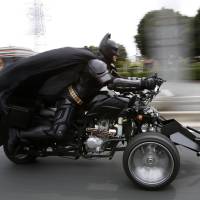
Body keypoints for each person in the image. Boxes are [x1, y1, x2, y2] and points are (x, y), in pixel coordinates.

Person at [5, 34, 156, 142]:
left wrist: (141, 83)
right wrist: (143, 83)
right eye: (114, 50)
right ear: (108, 51)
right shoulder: (96, 64)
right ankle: (18, 135)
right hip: (71, 100)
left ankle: (100, 134)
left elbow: (119, 80)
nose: (116, 54)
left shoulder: (106, 66)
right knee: (57, 133)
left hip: (82, 102)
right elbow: (112, 83)